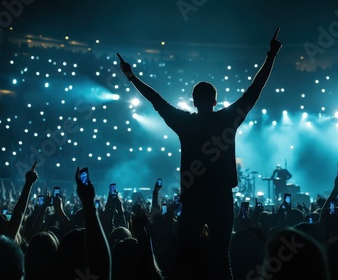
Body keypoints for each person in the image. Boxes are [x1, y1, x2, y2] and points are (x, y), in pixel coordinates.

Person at [119, 28, 282, 280]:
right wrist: (271, 55)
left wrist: (131, 76)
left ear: (193, 101)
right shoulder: (228, 120)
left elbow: (156, 99)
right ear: (215, 101)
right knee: (221, 257)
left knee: (184, 257)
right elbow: (255, 89)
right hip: (220, 198)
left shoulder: (185, 123)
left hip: (194, 197)